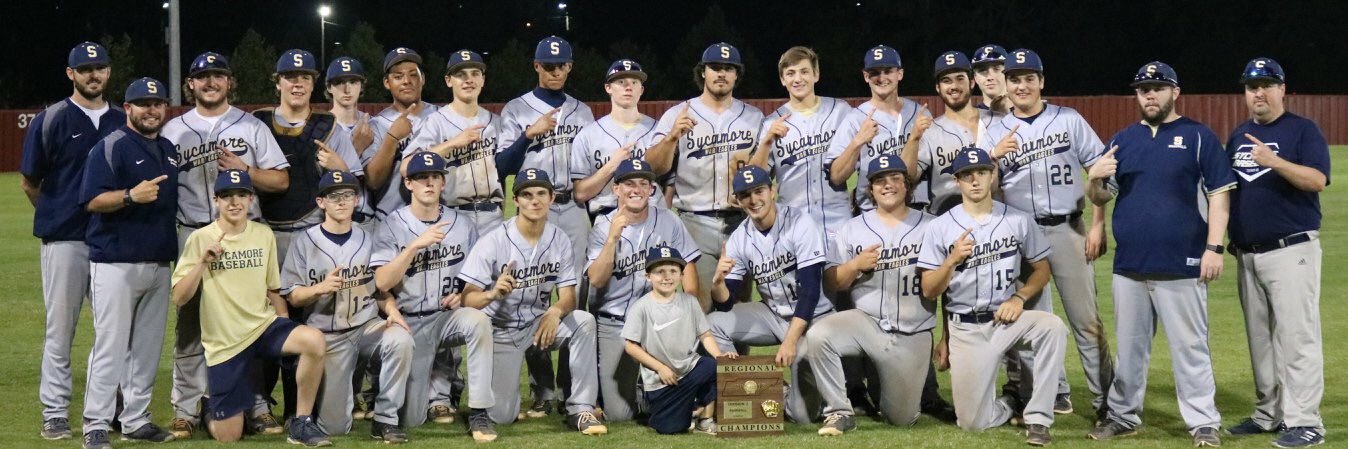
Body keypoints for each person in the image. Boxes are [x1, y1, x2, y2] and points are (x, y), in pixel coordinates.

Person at [1084, 61, 1234, 448]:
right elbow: (1102, 196)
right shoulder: (1124, 139)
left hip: (1183, 262)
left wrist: (1214, 247)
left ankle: (1202, 422)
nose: (1149, 94)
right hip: (1130, 265)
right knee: (1130, 348)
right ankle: (1122, 415)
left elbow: (1219, 195)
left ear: (1175, 92)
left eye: (1157, 87)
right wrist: (1094, 178)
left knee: (1190, 347)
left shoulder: (1198, 136)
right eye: (1142, 89)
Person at [161, 51, 290, 438]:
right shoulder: (173, 130)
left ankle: (255, 405)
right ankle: (185, 408)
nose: (211, 82)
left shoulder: (251, 126)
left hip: (244, 234)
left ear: (229, 82)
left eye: (218, 76)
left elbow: (280, 181)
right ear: (190, 84)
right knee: (189, 327)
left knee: (248, 323)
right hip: (192, 232)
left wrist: (246, 170)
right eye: (203, 77)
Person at [979, 49, 1112, 417]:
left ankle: (1107, 403)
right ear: (1006, 84)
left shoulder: (1069, 120)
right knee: (1028, 323)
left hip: (1069, 229)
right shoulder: (993, 130)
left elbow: (1101, 173)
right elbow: (985, 196)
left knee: (1086, 322)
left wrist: (1098, 224)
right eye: (1015, 79)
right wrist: (991, 159)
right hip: (1022, 238)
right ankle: (1047, 397)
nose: (1022, 86)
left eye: (1029, 78)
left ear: (1041, 82)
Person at [917, 147, 1064, 446]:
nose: (975, 180)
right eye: (967, 175)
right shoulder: (939, 228)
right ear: (956, 181)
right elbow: (930, 289)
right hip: (966, 329)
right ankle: (1011, 403)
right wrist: (951, 260)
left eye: (981, 173)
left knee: (1053, 327)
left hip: (1007, 320)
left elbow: (1041, 270)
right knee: (972, 423)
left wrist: (1020, 298)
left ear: (992, 175)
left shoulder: (1018, 220)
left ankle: (1038, 418)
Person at [169, 170, 328, 446]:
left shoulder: (263, 234)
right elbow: (179, 297)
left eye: (241, 195)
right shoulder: (201, 238)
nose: (235, 202)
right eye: (227, 196)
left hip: (263, 328)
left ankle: (302, 422)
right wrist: (202, 262)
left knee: (312, 340)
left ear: (251, 199)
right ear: (215, 199)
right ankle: (210, 407)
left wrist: (285, 325)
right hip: (225, 343)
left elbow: (273, 288)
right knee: (229, 436)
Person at [20, 41, 127, 441]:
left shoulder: (122, 118)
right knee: (60, 330)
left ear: (109, 72)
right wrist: (57, 213)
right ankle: (55, 411)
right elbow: (30, 181)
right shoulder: (51, 119)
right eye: (85, 69)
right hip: (65, 239)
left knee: (113, 332)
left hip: (113, 242)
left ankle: (110, 407)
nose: (93, 75)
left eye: (99, 68)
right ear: (71, 74)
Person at [1223, 57, 1329, 448]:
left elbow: (1317, 179)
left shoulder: (1302, 130)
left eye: (1267, 84)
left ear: (1283, 89)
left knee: (1297, 338)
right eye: (1253, 86)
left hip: (1291, 250)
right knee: (1260, 340)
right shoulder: (1238, 135)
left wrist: (1275, 161)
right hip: (1248, 254)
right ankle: (1270, 413)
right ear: (1246, 92)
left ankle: (1307, 422)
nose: (1259, 93)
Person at [459, 168, 607, 435]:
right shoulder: (493, 241)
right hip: (502, 331)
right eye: (527, 195)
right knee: (502, 416)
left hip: (540, 325)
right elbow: (468, 298)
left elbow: (569, 297)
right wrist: (492, 293)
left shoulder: (559, 238)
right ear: (515, 201)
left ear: (552, 198)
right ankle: (508, 401)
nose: (535, 200)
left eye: (541, 194)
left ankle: (581, 409)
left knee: (584, 321)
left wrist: (555, 311)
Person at [496, 36, 596, 417]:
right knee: (529, 297)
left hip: (572, 208)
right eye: (547, 65)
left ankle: (574, 389)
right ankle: (543, 389)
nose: (555, 71)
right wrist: (527, 135)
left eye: (561, 65)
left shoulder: (583, 112)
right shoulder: (516, 108)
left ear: (570, 67)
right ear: (535, 66)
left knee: (575, 298)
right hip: (532, 210)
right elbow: (502, 168)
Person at [76, 77, 178, 449]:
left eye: (158, 103)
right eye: (143, 103)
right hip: (115, 262)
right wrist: (131, 197)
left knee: (148, 347)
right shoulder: (112, 146)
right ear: (129, 108)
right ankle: (96, 424)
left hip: (158, 261)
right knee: (111, 345)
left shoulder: (167, 148)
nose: (152, 109)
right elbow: (91, 200)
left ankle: (135, 419)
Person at [370, 153, 498, 442]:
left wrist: (461, 294)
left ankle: (479, 411)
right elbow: (381, 282)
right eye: (421, 178)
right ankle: (420, 399)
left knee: (478, 320)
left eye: (435, 177)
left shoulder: (462, 224)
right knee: (412, 418)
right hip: (409, 323)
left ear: (443, 183)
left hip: (446, 318)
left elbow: (474, 276)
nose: (429, 182)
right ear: (408, 184)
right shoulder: (391, 225)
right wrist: (413, 247)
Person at [279, 170, 415, 442]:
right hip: (328, 337)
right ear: (321, 203)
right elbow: (292, 296)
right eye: (334, 196)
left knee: (401, 339)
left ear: (357, 200)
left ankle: (385, 420)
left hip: (365, 328)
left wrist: (392, 310)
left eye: (348, 195)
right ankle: (333, 394)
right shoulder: (304, 241)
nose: (341, 201)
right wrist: (319, 289)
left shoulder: (370, 237)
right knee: (336, 427)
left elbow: (379, 288)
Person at [809, 154, 937, 436]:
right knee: (819, 335)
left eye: (894, 179)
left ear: (907, 185)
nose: (887, 185)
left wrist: (948, 339)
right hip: (866, 325)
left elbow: (946, 288)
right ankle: (839, 412)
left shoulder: (933, 226)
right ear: (871, 189)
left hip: (913, 331)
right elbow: (832, 282)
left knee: (900, 419)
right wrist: (855, 265)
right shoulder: (851, 228)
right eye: (880, 181)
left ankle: (890, 395)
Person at [709, 165, 833, 423]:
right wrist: (718, 283)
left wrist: (790, 341)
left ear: (772, 191)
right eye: (746, 195)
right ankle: (750, 390)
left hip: (813, 319)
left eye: (759, 191)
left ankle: (793, 395)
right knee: (712, 324)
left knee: (804, 416)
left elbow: (810, 291)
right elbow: (725, 303)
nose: (754, 200)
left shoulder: (800, 222)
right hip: (773, 314)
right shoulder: (739, 238)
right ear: (738, 201)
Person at [645, 42, 763, 306]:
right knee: (700, 305)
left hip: (741, 223)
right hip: (694, 222)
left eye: (728, 68)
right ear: (702, 73)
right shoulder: (677, 114)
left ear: (737, 75)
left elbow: (766, 172)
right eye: (715, 68)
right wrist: (672, 137)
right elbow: (653, 167)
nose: (721, 73)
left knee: (738, 304)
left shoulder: (753, 117)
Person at [585, 158, 700, 421]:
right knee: (620, 415)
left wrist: (689, 311)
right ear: (616, 190)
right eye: (628, 184)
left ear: (651, 190)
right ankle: (641, 391)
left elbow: (689, 263)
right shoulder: (603, 225)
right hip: (615, 322)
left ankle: (657, 389)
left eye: (643, 183)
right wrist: (612, 240)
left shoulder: (668, 220)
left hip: (659, 322)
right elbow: (597, 280)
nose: (636, 189)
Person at [623, 246, 732, 434]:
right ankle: (683, 410)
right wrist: (660, 368)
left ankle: (704, 419)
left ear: (682, 276)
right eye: (660, 272)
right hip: (661, 380)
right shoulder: (641, 307)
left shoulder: (689, 302)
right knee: (669, 428)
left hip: (689, 369)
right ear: (648, 276)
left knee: (713, 366)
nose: (667, 277)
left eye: (673, 271)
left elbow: (705, 335)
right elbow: (631, 347)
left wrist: (719, 355)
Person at [749, 46, 854, 238]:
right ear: (782, 80)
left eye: (804, 71)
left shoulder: (840, 111)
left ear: (816, 74)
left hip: (839, 221)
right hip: (793, 224)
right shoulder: (772, 123)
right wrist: (766, 143)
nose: (797, 79)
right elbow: (754, 178)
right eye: (790, 73)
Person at [825, 44, 933, 214]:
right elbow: (837, 176)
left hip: (914, 211)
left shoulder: (919, 114)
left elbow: (912, 176)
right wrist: (857, 142)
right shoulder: (855, 118)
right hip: (871, 212)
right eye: (875, 72)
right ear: (866, 76)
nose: (881, 77)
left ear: (900, 73)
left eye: (888, 70)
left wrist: (914, 139)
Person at [407, 50, 505, 234]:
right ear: (448, 80)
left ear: (483, 80)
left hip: (493, 216)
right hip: (452, 216)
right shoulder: (435, 122)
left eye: (475, 74)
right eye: (460, 75)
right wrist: (452, 144)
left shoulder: (496, 122)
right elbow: (407, 166)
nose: (469, 80)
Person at [572, 59, 666, 220]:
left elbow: (670, 184)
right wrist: (612, 165)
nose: (628, 87)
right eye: (621, 81)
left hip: (653, 216)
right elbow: (580, 194)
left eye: (634, 82)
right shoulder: (588, 135)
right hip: (605, 217)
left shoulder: (659, 131)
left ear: (641, 89)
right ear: (608, 88)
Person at [914, 50, 1001, 216]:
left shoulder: (999, 122)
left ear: (972, 82)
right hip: (946, 220)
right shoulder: (930, 131)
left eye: (960, 79)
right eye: (946, 81)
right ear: (938, 88)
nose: (954, 86)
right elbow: (910, 177)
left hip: (997, 221)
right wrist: (913, 139)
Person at [363, 47, 439, 222]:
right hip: (391, 219)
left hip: (437, 217)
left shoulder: (441, 117)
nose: (406, 81)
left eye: (413, 74)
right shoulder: (377, 124)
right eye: (398, 76)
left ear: (423, 79)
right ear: (387, 83)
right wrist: (392, 137)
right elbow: (373, 181)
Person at [323, 56, 377, 233]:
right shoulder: (320, 127)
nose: (347, 89)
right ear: (329, 87)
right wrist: (357, 149)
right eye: (339, 82)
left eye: (353, 81)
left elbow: (378, 181)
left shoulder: (375, 125)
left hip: (369, 220)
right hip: (330, 222)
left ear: (361, 85)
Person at [970, 44, 1011, 113]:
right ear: (975, 78)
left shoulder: (1028, 112)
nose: (990, 77)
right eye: (982, 71)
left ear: (1007, 73)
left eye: (996, 69)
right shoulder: (969, 119)